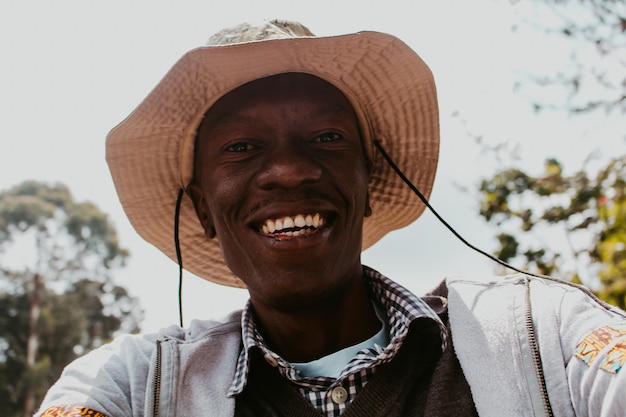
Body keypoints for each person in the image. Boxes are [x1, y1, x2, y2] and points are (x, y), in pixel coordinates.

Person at [36, 20, 626, 417]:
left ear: (370, 181)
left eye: (325, 137)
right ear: (200, 209)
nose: (289, 170)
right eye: (241, 148)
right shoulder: (135, 386)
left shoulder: (541, 336)